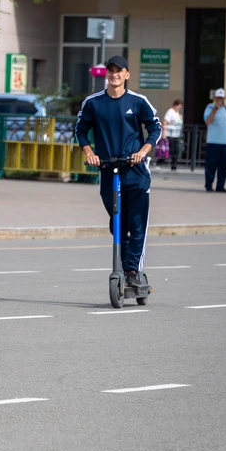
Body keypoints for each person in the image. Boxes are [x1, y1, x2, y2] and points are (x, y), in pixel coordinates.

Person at [75, 55, 162, 288]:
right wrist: (89, 153)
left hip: (135, 170)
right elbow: (80, 130)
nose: (114, 74)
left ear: (127, 74)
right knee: (117, 225)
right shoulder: (93, 103)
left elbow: (155, 127)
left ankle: (133, 270)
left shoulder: (138, 101)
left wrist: (144, 150)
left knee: (136, 224)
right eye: (111, 70)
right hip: (108, 171)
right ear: (107, 74)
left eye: (119, 70)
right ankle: (125, 267)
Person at [203, 88, 226, 193]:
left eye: (221, 97)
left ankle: (220, 185)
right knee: (211, 164)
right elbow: (207, 121)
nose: (220, 99)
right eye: (218, 97)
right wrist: (215, 109)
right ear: (215, 98)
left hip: (225, 142)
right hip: (213, 141)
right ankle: (208, 185)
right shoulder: (209, 107)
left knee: (223, 166)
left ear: (224, 98)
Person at [163, 99, 184, 171]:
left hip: (176, 134)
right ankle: (163, 162)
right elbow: (165, 121)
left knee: (176, 150)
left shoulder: (178, 113)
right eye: (179, 107)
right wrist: (164, 132)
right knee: (170, 150)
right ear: (175, 105)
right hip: (170, 134)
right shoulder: (170, 112)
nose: (180, 109)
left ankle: (174, 165)